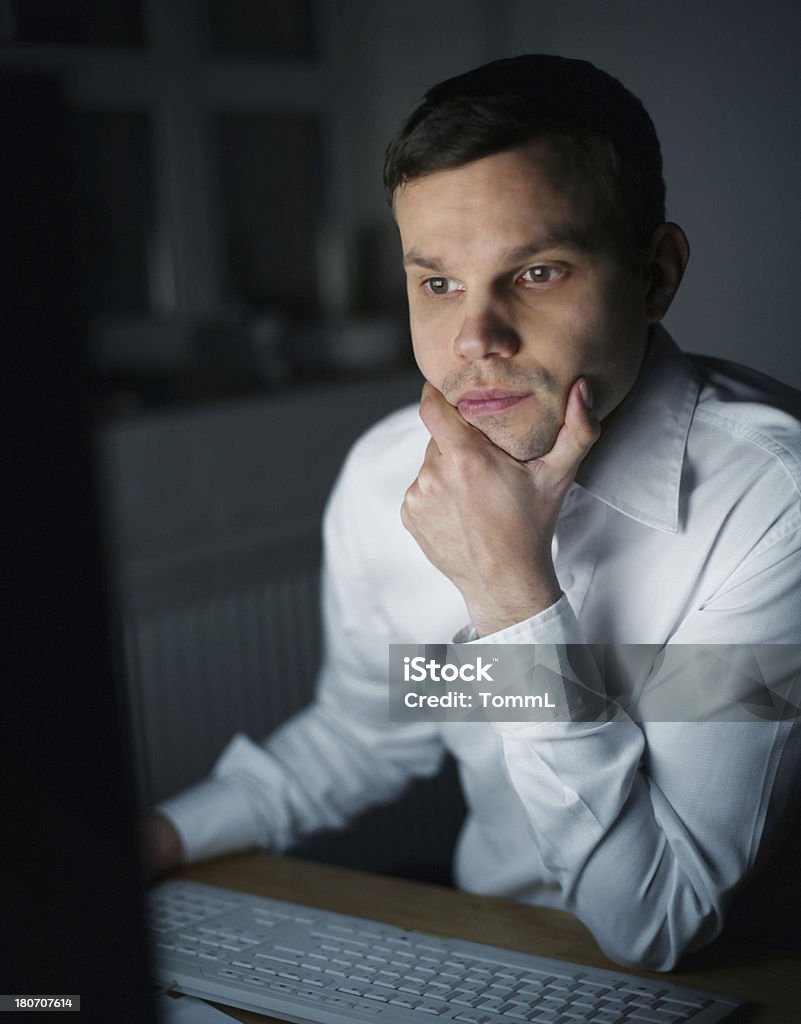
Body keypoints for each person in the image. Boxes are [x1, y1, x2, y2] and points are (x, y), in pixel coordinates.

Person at [144, 55, 801, 970]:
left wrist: (511, 591)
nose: (473, 341)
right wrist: (158, 839)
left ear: (653, 277)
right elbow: (369, 734)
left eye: (535, 272)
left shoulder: (772, 500)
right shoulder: (384, 477)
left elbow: (658, 923)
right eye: (438, 283)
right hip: (492, 956)